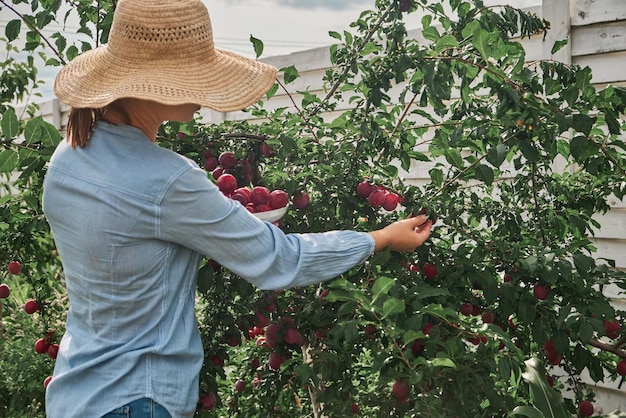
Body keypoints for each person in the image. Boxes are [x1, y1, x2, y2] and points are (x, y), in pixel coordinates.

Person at [41, 0, 433, 417]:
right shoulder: (167, 179)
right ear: (156, 85)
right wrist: (379, 238)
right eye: (194, 78)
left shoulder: (66, 161)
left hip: (76, 392)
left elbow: (129, 245)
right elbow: (278, 260)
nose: (203, 94)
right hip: (137, 398)